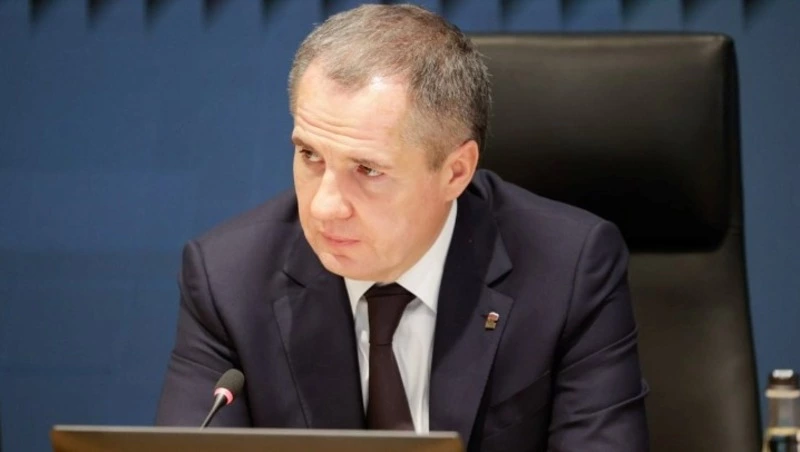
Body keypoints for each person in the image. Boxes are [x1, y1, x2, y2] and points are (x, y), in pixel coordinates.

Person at [155, 4, 649, 451]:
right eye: (309, 155)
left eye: (368, 170)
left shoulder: (569, 269)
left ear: (455, 172)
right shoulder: (228, 279)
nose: (325, 207)